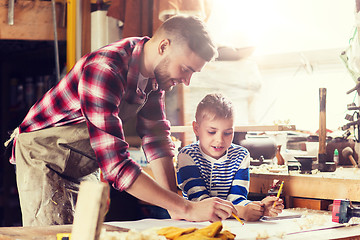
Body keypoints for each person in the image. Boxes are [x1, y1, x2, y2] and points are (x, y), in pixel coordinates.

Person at [5, 15, 237, 226]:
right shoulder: (105, 69)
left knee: (86, 234)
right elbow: (116, 165)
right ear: (164, 46)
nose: (186, 81)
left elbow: (156, 139)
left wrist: (175, 205)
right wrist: (187, 207)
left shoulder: (155, 78)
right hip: (45, 158)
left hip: (80, 164)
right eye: (186, 69)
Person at [176, 93, 284, 221]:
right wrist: (242, 211)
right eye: (212, 132)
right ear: (196, 128)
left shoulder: (241, 156)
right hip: (195, 224)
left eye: (228, 133)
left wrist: (259, 208)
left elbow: (237, 199)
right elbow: (200, 202)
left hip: (230, 223)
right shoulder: (187, 155)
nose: (220, 140)